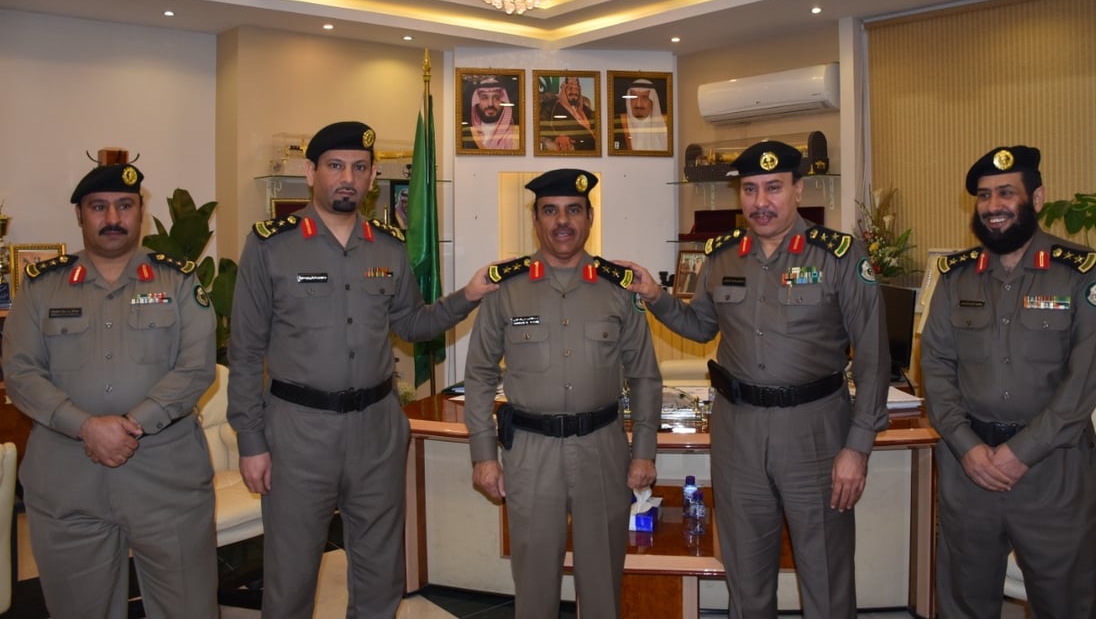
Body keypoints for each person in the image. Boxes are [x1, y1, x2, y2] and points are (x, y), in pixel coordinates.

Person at [227, 120, 498, 618]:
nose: (347, 178)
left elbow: (412, 324)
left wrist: (469, 295)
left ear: (372, 177)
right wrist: (250, 441)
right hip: (298, 432)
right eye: (335, 166)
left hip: (376, 429)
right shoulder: (271, 246)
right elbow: (244, 351)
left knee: (380, 573)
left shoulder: (388, 246)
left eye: (358, 167)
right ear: (311, 172)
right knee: (290, 576)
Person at [622, 140, 888, 618]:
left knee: (826, 577)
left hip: (815, 432)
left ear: (798, 190)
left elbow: (872, 357)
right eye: (750, 189)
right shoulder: (723, 255)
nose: (761, 201)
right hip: (738, 432)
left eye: (773, 188)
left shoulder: (839, 256)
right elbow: (701, 327)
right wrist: (655, 296)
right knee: (745, 577)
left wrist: (857, 447)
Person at [1, 162, 218, 619]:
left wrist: (131, 424)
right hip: (67, 482)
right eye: (98, 207)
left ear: (141, 212)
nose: (113, 217)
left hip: (167, 479)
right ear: (80, 215)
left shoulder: (178, 280)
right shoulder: (41, 286)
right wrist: (86, 427)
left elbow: (197, 367)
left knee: (188, 608)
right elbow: (19, 372)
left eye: (125, 205)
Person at [920, 145, 1096, 619]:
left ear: (1037, 198)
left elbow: (1086, 379)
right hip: (970, 473)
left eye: (1006, 193)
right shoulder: (956, 277)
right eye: (984, 195)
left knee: (1066, 605)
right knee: (964, 604)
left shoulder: (1080, 272)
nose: (993, 206)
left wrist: (1020, 452)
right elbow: (936, 367)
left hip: (1055, 473)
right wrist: (966, 446)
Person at [465, 168, 662, 619]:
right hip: (531, 452)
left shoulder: (618, 288)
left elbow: (645, 376)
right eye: (550, 211)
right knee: (534, 583)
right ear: (535, 219)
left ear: (590, 217)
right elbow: (478, 374)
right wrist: (483, 455)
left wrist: (644, 451)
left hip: (603, 449)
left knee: (603, 582)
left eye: (573, 210)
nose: (562, 222)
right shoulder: (505, 288)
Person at [539, 75, 597, 152]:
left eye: (576, 89)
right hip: (576, 146)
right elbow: (541, 124)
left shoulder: (584, 109)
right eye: (570, 88)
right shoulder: (552, 105)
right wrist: (557, 137)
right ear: (564, 89)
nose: (574, 92)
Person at [462, 75, 519, 150]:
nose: (490, 104)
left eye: (496, 98)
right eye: (484, 98)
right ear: (476, 102)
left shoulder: (517, 133)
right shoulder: (466, 133)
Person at [611, 77, 667, 152]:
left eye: (645, 98)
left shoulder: (666, 124)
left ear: (652, 101)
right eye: (634, 98)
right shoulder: (616, 123)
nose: (638, 104)